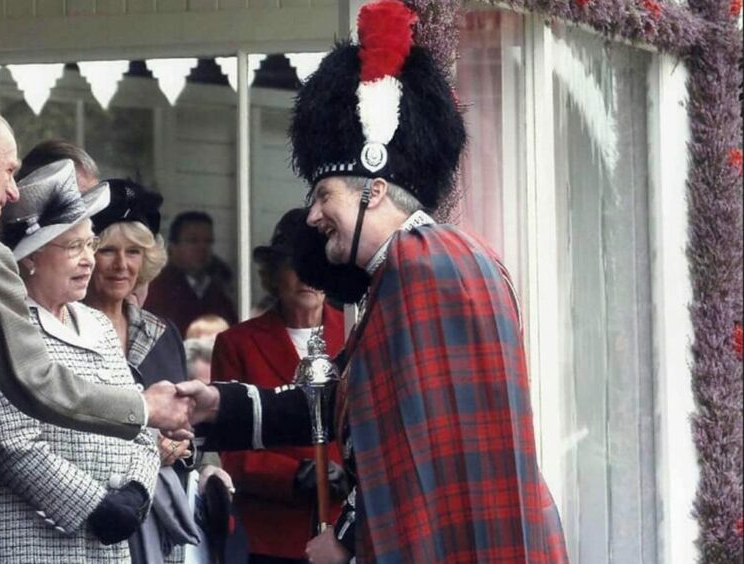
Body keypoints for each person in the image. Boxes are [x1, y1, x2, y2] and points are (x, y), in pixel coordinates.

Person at [182, 1, 568, 562]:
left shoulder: (419, 268)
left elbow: (413, 444)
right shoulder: (437, 256)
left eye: (323, 196)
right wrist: (219, 405)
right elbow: (355, 404)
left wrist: (345, 540)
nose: (312, 217)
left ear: (375, 191)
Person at [0, 106, 193, 563]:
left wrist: (132, 489)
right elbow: (31, 386)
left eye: (91, 243)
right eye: (8, 170)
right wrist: (143, 409)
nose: (11, 190)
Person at [0, 160, 160, 562]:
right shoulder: (4, 320)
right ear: (31, 257)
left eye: (90, 244)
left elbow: (140, 423)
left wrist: (136, 492)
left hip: (105, 548)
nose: (89, 259)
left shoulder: (97, 324)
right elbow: (12, 442)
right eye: (74, 246)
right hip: (28, 541)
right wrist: (96, 506)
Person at [86, 178, 234, 564]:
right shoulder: (67, 328)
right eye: (108, 251)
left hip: (159, 518)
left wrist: (187, 452)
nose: (122, 265)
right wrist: (147, 450)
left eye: (134, 251)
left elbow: (185, 423)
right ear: (86, 255)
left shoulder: (161, 333)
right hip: (95, 514)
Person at [211, 208, 347, 564]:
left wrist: (347, 474)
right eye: (295, 264)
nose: (307, 276)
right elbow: (233, 449)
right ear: (274, 275)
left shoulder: (355, 335)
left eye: (317, 264)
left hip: (347, 531)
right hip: (271, 536)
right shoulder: (236, 343)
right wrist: (293, 476)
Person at [146, 211, 238, 332]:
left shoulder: (219, 286)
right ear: (173, 248)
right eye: (193, 241)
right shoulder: (156, 289)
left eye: (208, 241)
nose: (202, 248)